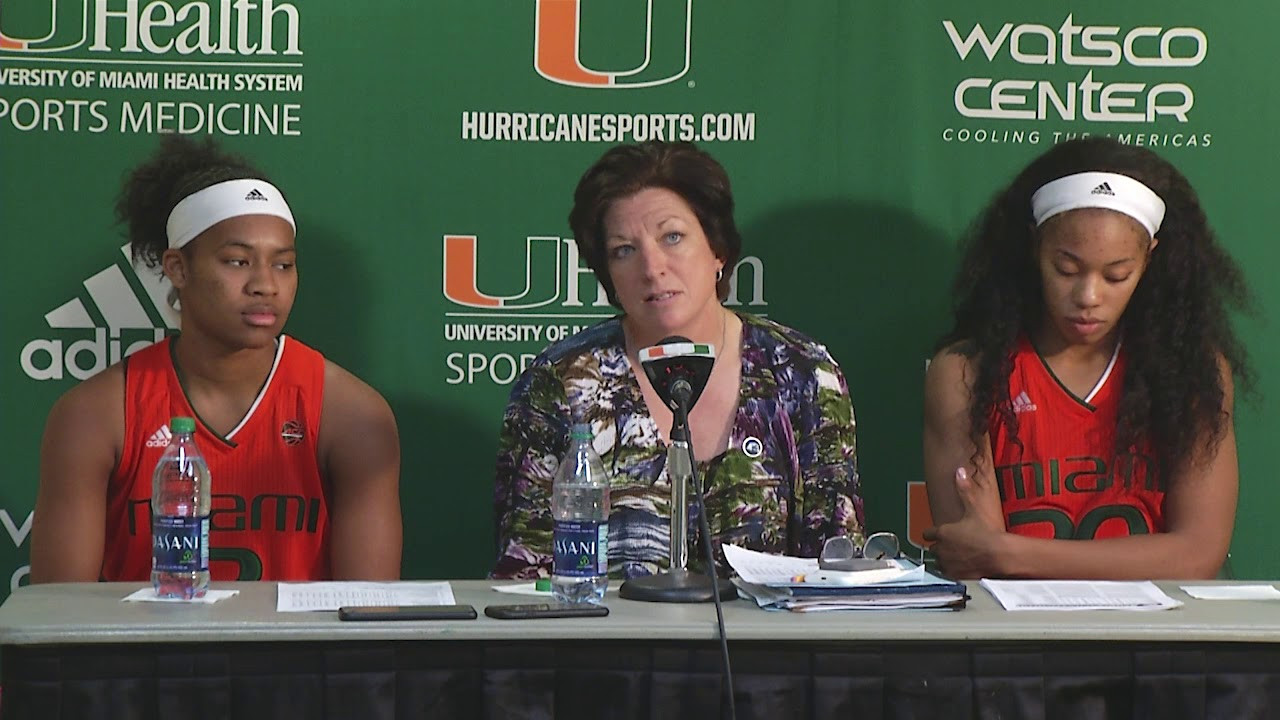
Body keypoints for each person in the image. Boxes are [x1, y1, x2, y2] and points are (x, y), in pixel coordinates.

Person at [30, 136, 402, 583]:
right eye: (237, 261)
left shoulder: (353, 415)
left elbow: (367, 617)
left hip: (298, 655)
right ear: (178, 268)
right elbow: (60, 618)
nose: (265, 285)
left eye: (283, 265)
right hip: (143, 653)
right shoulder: (94, 415)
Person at [491, 141, 863, 579]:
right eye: (623, 250)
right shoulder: (563, 382)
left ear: (717, 249)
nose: (652, 267)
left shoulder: (802, 374)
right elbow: (524, 576)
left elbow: (837, 571)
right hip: (602, 643)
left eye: (672, 237)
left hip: (768, 645)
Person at [923, 137, 1249, 579]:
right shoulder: (966, 373)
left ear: (1150, 258)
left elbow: (1197, 555)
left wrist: (1011, 553)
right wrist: (997, 556)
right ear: (1034, 247)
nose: (1088, 297)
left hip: (1155, 642)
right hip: (1017, 642)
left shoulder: (1192, 370)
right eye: (1067, 270)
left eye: (1117, 275)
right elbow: (974, 562)